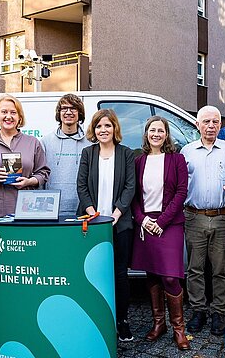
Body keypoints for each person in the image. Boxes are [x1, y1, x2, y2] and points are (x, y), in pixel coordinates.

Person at [181, 106, 225, 336]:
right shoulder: (187, 151)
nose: (211, 126)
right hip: (194, 217)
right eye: (206, 122)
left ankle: (218, 312)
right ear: (197, 125)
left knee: (220, 269)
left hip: (221, 216)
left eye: (215, 122)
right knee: (195, 268)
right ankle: (198, 310)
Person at [76, 109, 136, 342]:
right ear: (94, 129)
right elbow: (81, 186)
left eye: (108, 126)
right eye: (99, 126)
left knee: (120, 275)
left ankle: (122, 321)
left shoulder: (126, 154)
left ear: (115, 129)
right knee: (93, 274)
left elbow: (130, 187)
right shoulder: (88, 153)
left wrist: (116, 214)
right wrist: (94, 214)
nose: (103, 130)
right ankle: (96, 319)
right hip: (91, 225)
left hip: (119, 224)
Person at [130, 116, 189, 350]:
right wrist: (142, 220)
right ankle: (158, 323)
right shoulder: (138, 161)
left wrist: (161, 222)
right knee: (152, 274)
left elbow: (181, 192)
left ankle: (179, 328)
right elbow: (133, 196)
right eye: (152, 130)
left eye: (161, 130)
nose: (156, 134)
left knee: (170, 276)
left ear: (167, 134)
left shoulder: (177, 159)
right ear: (146, 134)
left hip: (170, 223)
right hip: (145, 224)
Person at [0, 94, 50, 260]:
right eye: (4, 112)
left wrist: (29, 181)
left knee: (25, 259)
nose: (8, 116)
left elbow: (43, 173)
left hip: (26, 210)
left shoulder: (32, 142)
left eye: (13, 112)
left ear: (19, 117)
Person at [41, 93, 91, 217]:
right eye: (64, 108)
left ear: (80, 113)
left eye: (73, 108)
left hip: (83, 209)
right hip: (52, 210)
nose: (68, 112)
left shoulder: (90, 142)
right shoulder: (45, 142)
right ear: (59, 113)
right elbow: (40, 175)